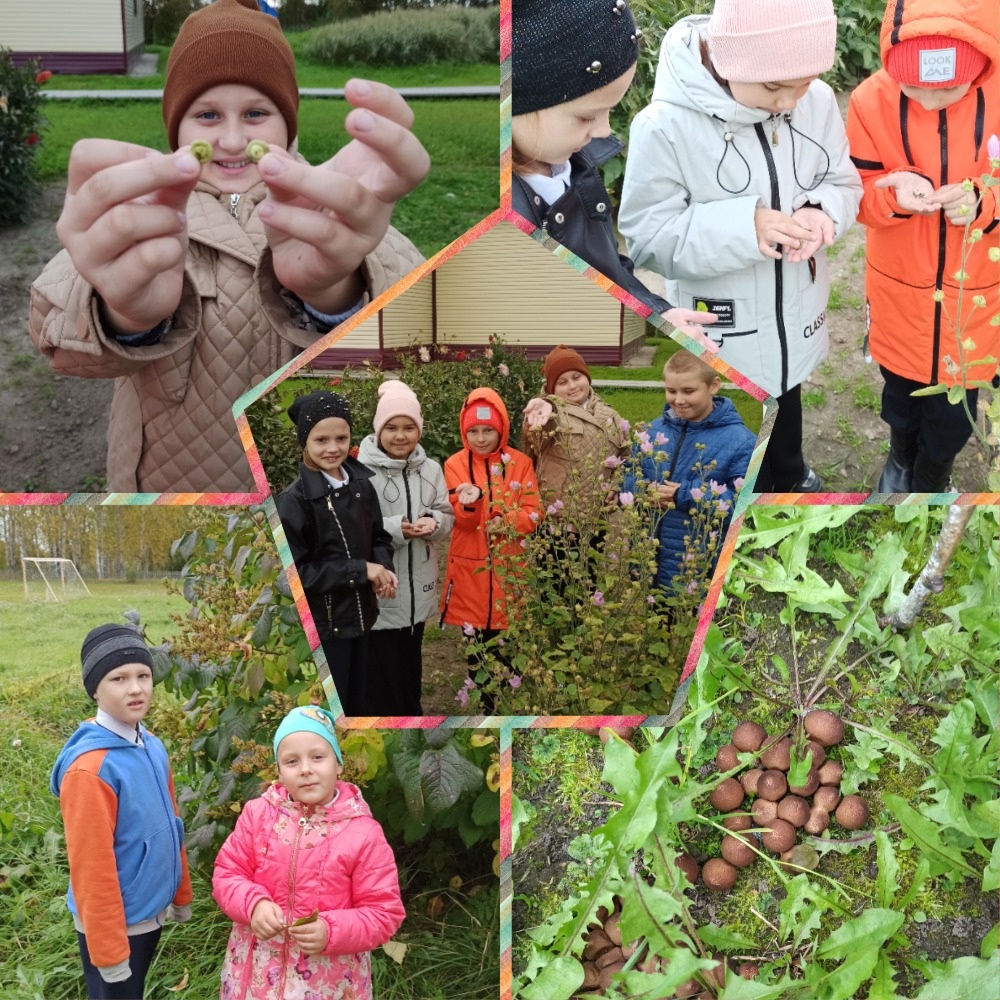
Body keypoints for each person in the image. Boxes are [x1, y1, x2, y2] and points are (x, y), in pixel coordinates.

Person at [29, 0, 428, 493]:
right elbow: (55, 334)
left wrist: (335, 291)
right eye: (209, 114)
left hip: (301, 492)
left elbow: (412, 337)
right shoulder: (141, 213)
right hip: (168, 484)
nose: (234, 139)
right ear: (176, 126)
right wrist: (126, 316)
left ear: (289, 123)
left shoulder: (336, 214)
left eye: (257, 113)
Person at [618, 0, 863, 492]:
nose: (791, 101)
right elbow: (645, 234)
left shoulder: (813, 101)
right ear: (730, 61)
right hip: (723, 323)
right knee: (742, 416)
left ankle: (790, 474)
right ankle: (752, 494)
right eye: (775, 87)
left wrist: (823, 210)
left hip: (793, 310)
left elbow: (843, 181)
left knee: (787, 393)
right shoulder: (663, 126)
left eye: (805, 83)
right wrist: (742, 228)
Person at [846, 0, 999, 493]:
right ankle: (899, 462)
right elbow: (854, 194)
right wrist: (891, 195)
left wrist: (984, 203)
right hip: (897, 290)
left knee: (954, 409)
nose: (930, 103)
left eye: (949, 90)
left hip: (974, 296)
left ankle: (934, 477)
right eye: (913, 89)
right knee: (899, 392)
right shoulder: (869, 102)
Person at [510, 0, 719, 344]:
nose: (605, 130)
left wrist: (657, 313)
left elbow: (609, 269)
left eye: (609, 110)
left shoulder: (577, 168)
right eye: (588, 116)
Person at [212, 706, 404, 1000]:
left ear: (338, 764)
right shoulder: (257, 815)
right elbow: (228, 873)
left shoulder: (364, 834)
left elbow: (383, 913)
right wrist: (253, 905)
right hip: (255, 979)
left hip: (329, 983)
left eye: (317, 757)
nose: (305, 769)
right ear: (278, 771)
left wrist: (331, 931)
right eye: (291, 761)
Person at [50, 623, 193, 1000]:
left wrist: (180, 894)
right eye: (119, 678)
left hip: (148, 913)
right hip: (115, 926)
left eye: (143, 675)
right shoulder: (91, 771)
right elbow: (91, 869)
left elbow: (171, 825)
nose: (136, 688)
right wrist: (110, 953)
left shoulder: (152, 745)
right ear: (94, 688)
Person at [274, 390, 397, 717]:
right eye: (321, 440)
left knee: (361, 705)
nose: (333, 448)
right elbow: (298, 575)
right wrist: (361, 570)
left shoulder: (361, 486)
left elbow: (379, 537)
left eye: (341, 438)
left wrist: (382, 569)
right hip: (328, 627)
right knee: (335, 709)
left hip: (363, 617)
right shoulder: (295, 501)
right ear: (304, 441)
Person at [441, 387, 541, 709]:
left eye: (488, 430)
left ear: (502, 429)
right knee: (476, 643)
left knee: (507, 639)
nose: (481, 438)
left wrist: (506, 519)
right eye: (474, 431)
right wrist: (471, 508)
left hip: (510, 568)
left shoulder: (520, 463)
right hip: (470, 567)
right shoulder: (454, 465)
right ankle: (485, 702)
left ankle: (508, 700)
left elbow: (533, 512)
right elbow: (462, 519)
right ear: (464, 431)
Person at [357, 380, 453, 716]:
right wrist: (397, 529)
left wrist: (434, 522)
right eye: (392, 428)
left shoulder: (431, 470)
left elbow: (446, 515)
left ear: (419, 429)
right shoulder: (360, 474)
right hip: (384, 589)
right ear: (379, 430)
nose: (401, 436)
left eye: (409, 427)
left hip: (418, 589)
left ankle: (412, 714)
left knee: (411, 659)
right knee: (382, 666)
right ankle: (387, 719)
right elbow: (356, 530)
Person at [623, 350, 755, 593]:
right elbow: (628, 475)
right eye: (671, 391)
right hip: (647, 567)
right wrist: (642, 490)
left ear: (714, 385)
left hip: (698, 572)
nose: (679, 400)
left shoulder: (742, 442)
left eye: (688, 391)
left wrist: (684, 496)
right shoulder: (652, 431)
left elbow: (745, 506)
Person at [521, 345, 629, 582]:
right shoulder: (549, 412)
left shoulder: (609, 414)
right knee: (555, 585)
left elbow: (625, 456)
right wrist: (544, 409)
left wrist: (617, 485)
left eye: (576, 377)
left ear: (587, 377)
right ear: (552, 388)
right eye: (562, 382)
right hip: (558, 524)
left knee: (590, 585)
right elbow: (536, 434)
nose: (572, 386)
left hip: (598, 521)